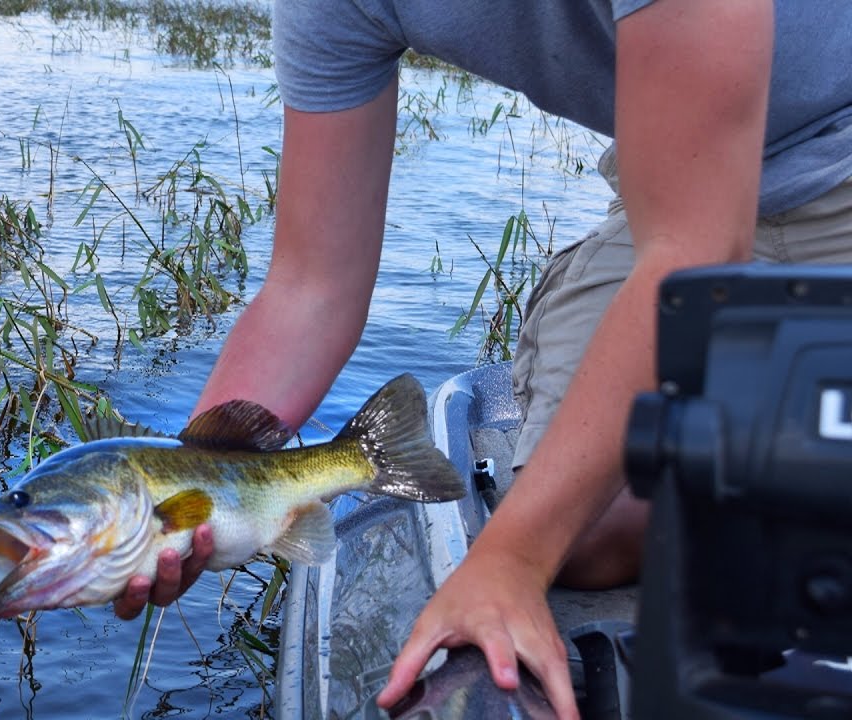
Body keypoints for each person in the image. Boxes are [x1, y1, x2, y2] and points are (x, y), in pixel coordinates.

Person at [114, 2, 852, 718]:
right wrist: (186, 485)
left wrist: (510, 560)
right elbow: (310, 289)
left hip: (788, 181)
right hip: (674, 192)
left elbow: (697, 251)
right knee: (589, 531)